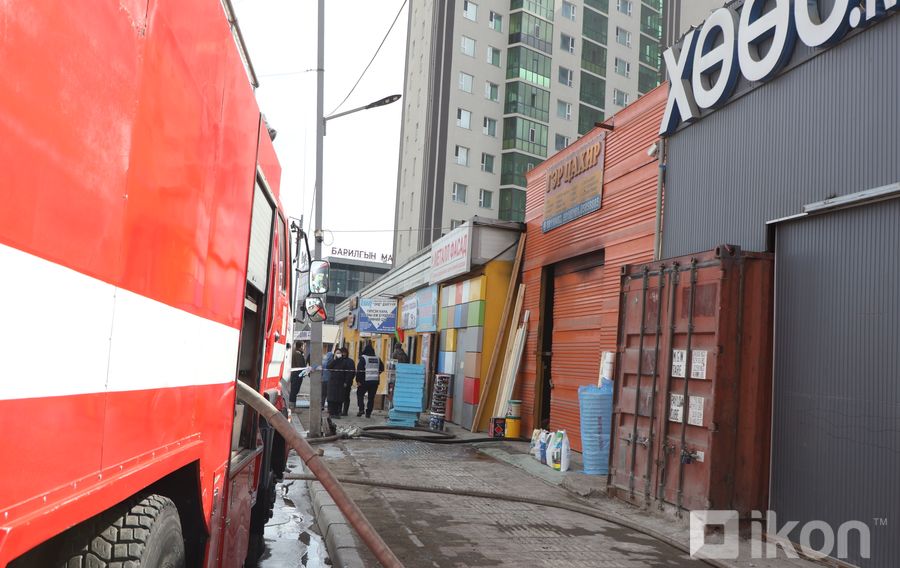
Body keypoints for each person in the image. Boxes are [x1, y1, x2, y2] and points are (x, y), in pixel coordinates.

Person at [356, 343, 384, 418]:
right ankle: (368, 413)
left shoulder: (363, 358)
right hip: (374, 381)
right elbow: (382, 368)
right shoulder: (377, 358)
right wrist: (376, 373)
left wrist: (358, 380)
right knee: (371, 398)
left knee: (360, 394)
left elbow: (359, 370)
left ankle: (361, 409)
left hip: (364, 381)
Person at [326, 347, 355, 418]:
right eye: (337, 353)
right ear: (335, 354)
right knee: (331, 398)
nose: (338, 354)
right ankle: (331, 413)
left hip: (340, 382)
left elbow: (348, 373)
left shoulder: (344, 362)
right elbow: (328, 367)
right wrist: (335, 360)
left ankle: (337, 413)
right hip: (332, 382)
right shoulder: (332, 360)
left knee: (339, 399)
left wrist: (346, 382)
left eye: (339, 353)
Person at [288, 341, 307, 408]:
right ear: (301, 346)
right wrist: (305, 373)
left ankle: (292, 406)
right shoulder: (298, 355)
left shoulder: (295, 353)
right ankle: (292, 407)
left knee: (294, 391)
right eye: (303, 346)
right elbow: (301, 366)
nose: (304, 348)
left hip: (295, 375)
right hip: (297, 375)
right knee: (294, 391)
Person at [321, 345, 334, 411]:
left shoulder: (323, 362)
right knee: (329, 395)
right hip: (330, 381)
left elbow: (321, 372)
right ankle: (329, 407)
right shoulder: (332, 363)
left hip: (323, 380)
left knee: (323, 394)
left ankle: (322, 406)